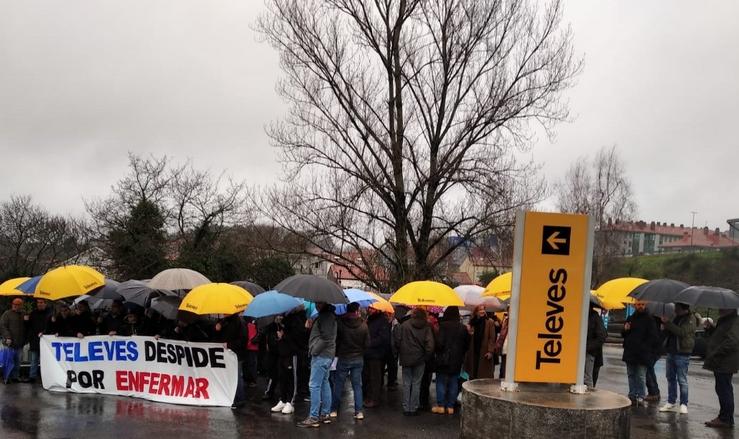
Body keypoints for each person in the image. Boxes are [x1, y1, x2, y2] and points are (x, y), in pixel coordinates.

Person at [297, 302, 337, 428]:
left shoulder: (325, 317)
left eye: (318, 302)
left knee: (314, 386)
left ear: (323, 303)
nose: (316, 304)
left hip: (321, 355)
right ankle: (325, 414)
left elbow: (325, 338)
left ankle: (313, 417)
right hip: (327, 355)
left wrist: (314, 350)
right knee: (324, 384)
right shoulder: (329, 316)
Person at [331, 302, 369, 420]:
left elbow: (336, 340)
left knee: (338, 384)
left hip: (343, 357)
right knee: (357, 386)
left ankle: (334, 410)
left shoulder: (341, 324)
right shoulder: (364, 325)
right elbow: (367, 344)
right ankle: (358, 412)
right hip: (358, 358)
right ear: (357, 310)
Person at [393, 307, 434, 416]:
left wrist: (401, 351)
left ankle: (406, 408)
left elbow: (398, 340)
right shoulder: (427, 326)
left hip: (406, 358)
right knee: (416, 383)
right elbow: (430, 346)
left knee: (406, 383)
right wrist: (425, 356)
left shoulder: (405, 325)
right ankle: (414, 407)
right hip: (420, 359)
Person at [703, 308, 739, 429]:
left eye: (722, 307)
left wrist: (716, 353)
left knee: (724, 390)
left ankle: (725, 419)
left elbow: (732, 341)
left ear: (729, 308)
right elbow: (721, 336)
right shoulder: (725, 320)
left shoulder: (734, 321)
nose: (719, 309)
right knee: (722, 389)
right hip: (721, 361)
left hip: (725, 361)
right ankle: (724, 417)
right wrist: (711, 328)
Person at [658, 302, 695, 414]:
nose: (674, 309)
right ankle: (671, 401)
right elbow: (670, 331)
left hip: (682, 353)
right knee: (670, 377)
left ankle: (684, 403)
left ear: (682, 308)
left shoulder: (690, 319)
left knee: (682, 379)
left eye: (676, 307)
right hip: (671, 351)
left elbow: (682, 332)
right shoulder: (675, 318)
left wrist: (668, 323)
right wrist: (664, 327)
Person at [621, 301, 660, 405]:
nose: (640, 306)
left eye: (642, 304)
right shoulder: (630, 318)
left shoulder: (649, 319)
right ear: (634, 305)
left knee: (641, 376)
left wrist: (645, 347)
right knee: (631, 375)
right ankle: (632, 394)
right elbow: (624, 334)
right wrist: (625, 330)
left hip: (643, 353)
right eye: (638, 304)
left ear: (645, 305)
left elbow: (653, 337)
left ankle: (641, 395)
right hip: (630, 352)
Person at [433, 306, 469, 415]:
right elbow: (467, 345)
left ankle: (441, 406)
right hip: (457, 360)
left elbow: (439, 343)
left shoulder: (443, 326)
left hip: (443, 359)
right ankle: (450, 406)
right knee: (454, 382)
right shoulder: (463, 328)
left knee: (441, 382)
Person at [271, 309, 304, 415]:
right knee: (282, 377)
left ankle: (291, 401)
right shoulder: (283, 320)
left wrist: (283, 335)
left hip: (292, 353)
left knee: (291, 378)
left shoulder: (297, 320)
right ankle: (283, 399)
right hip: (282, 353)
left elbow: (298, 338)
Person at [214, 312, 248, 409]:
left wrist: (229, 345)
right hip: (224, 354)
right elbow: (218, 337)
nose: (223, 313)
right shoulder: (223, 322)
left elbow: (243, 340)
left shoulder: (240, 322)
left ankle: (240, 399)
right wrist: (217, 329)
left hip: (236, 355)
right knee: (226, 376)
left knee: (237, 376)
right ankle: (229, 397)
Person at [363, 306, 391, 408]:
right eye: (369, 308)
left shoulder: (382, 321)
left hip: (376, 353)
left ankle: (375, 399)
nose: (370, 309)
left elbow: (384, 338)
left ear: (378, 309)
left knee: (375, 377)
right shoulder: (369, 319)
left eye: (372, 308)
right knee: (368, 376)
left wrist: (369, 343)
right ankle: (369, 396)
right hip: (368, 353)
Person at [465, 305, 496, 380]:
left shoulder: (489, 322)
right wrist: (468, 331)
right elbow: (468, 337)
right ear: (476, 312)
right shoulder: (472, 322)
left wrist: (490, 351)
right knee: (473, 372)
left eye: (483, 309)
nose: (482, 311)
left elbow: (492, 338)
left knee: (483, 375)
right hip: (473, 351)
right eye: (480, 310)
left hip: (484, 351)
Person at [0, 298, 26, 383]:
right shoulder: (7, 314)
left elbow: (27, 327)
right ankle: (6, 377)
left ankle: (15, 377)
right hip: (9, 343)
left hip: (19, 343)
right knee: (8, 361)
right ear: (12, 305)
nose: (15, 306)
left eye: (18, 305)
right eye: (14, 304)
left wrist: (27, 321)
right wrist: (8, 337)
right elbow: (3, 326)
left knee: (18, 362)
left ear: (21, 306)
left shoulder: (24, 314)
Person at [27, 298, 53, 383]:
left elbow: (52, 326)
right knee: (34, 359)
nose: (39, 304)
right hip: (35, 340)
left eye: (41, 302)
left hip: (46, 341)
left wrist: (44, 332)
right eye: (38, 302)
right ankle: (32, 377)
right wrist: (25, 321)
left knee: (46, 360)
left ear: (45, 303)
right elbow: (29, 326)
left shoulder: (50, 313)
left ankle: (46, 377)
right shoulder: (33, 313)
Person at [585, 302, 607, 389]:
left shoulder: (594, 317)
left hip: (591, 353)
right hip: (589, 352)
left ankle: (588, 398)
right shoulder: (591, 317)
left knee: (587, 378)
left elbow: (602, 335)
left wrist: (587, 347)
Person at [244, 316, 259, 388]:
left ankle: (252, 380)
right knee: (250, 364)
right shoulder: (253, 320)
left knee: (251, 364)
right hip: (251, 346)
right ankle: (250, 380)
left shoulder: (248, 321)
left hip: (250, 346)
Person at [495, 311, 509, 379]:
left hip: (510, 349)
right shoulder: (506, 320)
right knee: (503, 369)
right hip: (505, 348)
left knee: (506, 370)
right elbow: (502, 335)